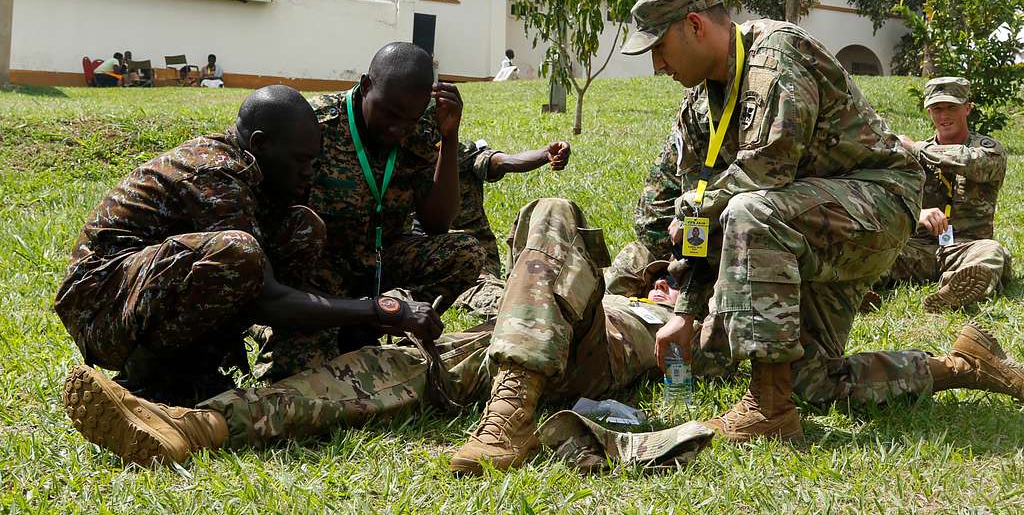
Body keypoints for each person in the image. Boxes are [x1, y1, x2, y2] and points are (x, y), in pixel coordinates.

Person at [62, 199, 1024, 471]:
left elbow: (734, 318)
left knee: (555, 206)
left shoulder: (675, 303)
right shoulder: (624, 260)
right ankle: (184, 425)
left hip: (602, 349)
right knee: (370, 379)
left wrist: (674, 304)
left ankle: (509, 421)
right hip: (474, 347)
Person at [620, 0, 948, 443]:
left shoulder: (775, 54)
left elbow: (765, 172)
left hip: (877, 202)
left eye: (659, 47)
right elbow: (697, 218)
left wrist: (701, 209)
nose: (657, 64)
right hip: (805, 226)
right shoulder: (698, 107)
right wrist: (685, 314)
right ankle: (962, 365)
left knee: (750, 212)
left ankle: (768, 409)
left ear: (694, 26)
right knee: (809, 378)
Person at [54, 85, 445, 405]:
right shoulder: (215, 173)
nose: (310, 172)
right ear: (260, 144)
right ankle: (150, 377)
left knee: (302, 226)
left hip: (140, 293)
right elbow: (266, 298)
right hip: (101, 308)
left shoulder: (252, 170)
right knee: (238, 251)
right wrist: (382, 310)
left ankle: (204, 367)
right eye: (301, 161)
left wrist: (351, 320)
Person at [255, 42, 485, 380]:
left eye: (409, 120)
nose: (397, 129)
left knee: (464, 253)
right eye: (389, 113)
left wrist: (448, 139)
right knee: (298, 376)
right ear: (365, 86)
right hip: (316, 278)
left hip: (380, 262)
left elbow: (437, 223)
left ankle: (369, 327)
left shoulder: (420, 130)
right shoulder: (314, 126)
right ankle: (283, 328)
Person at [881, 77, 1012, 311]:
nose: (944, 116)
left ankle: (955, 288)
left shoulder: (989, 150)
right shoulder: (910, 157)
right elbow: (888, 200)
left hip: (967, 248)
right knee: (875, 249)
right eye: (937, 109)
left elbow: (969, 161)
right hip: (921, 247)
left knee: (993, 252)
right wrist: (918, 213)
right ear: (929, 112)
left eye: (952, 107)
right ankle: (862, 293)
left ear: (967, 108)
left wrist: (918, 148)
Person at [446, 139, 571, 317]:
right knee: (519, 309)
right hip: (455, 272)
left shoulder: (455, 151)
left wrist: (545, 154)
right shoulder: (402, 164)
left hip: (479, 263)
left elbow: (503, 161)